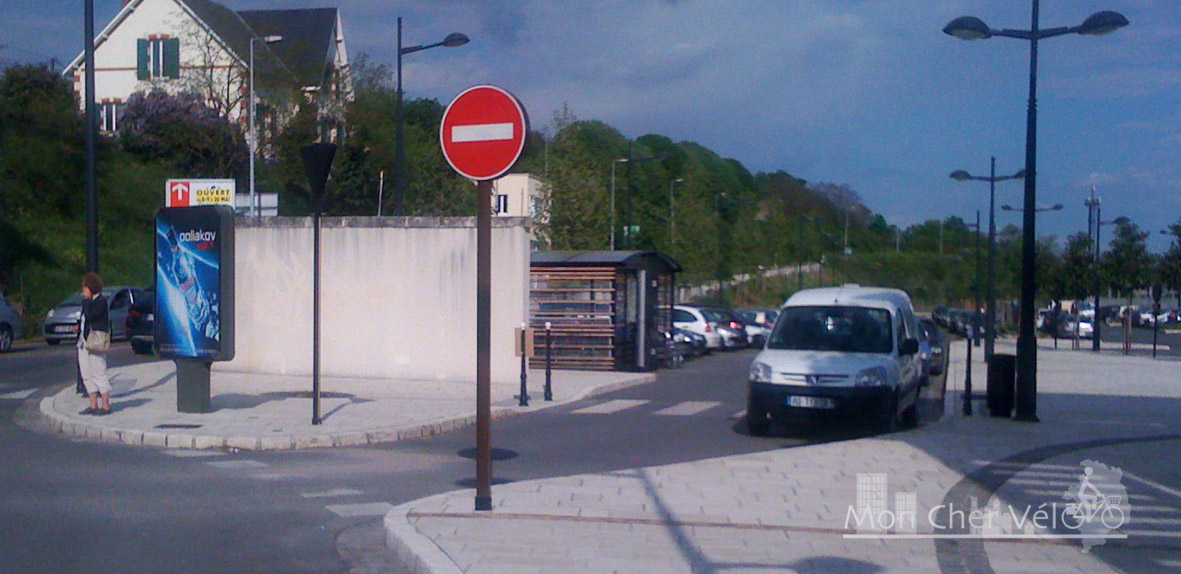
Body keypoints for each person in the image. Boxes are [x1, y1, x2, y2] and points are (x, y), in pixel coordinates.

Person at [76, 272, 112, 415]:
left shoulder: (100, 301)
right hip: (83, 342)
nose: (84, 290)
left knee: (99, 372)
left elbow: (92, 316)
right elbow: (85, 318)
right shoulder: (90, 302)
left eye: (85, 287)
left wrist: (86, 300)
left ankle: (105, 405)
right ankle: (93, 404)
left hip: (96, 342)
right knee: (87, 373)